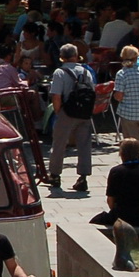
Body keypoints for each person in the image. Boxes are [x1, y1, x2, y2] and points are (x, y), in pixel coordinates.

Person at [48, 43, 97, 191]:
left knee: (59, 144)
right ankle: (83, 177)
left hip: (67, 112)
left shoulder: (59, 73)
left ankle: (55, 175)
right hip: (84, 113)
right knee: (84, 144)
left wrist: (58, 112)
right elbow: (93, 91)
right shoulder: (85, 71)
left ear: (62, 57)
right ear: (76, 55)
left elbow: (56, 95)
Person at [110, 45, 139, 145]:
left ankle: (133, 159)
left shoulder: (122, 73)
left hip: (129, 113)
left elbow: (119, 96)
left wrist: (114, 96)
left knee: (130, 142)